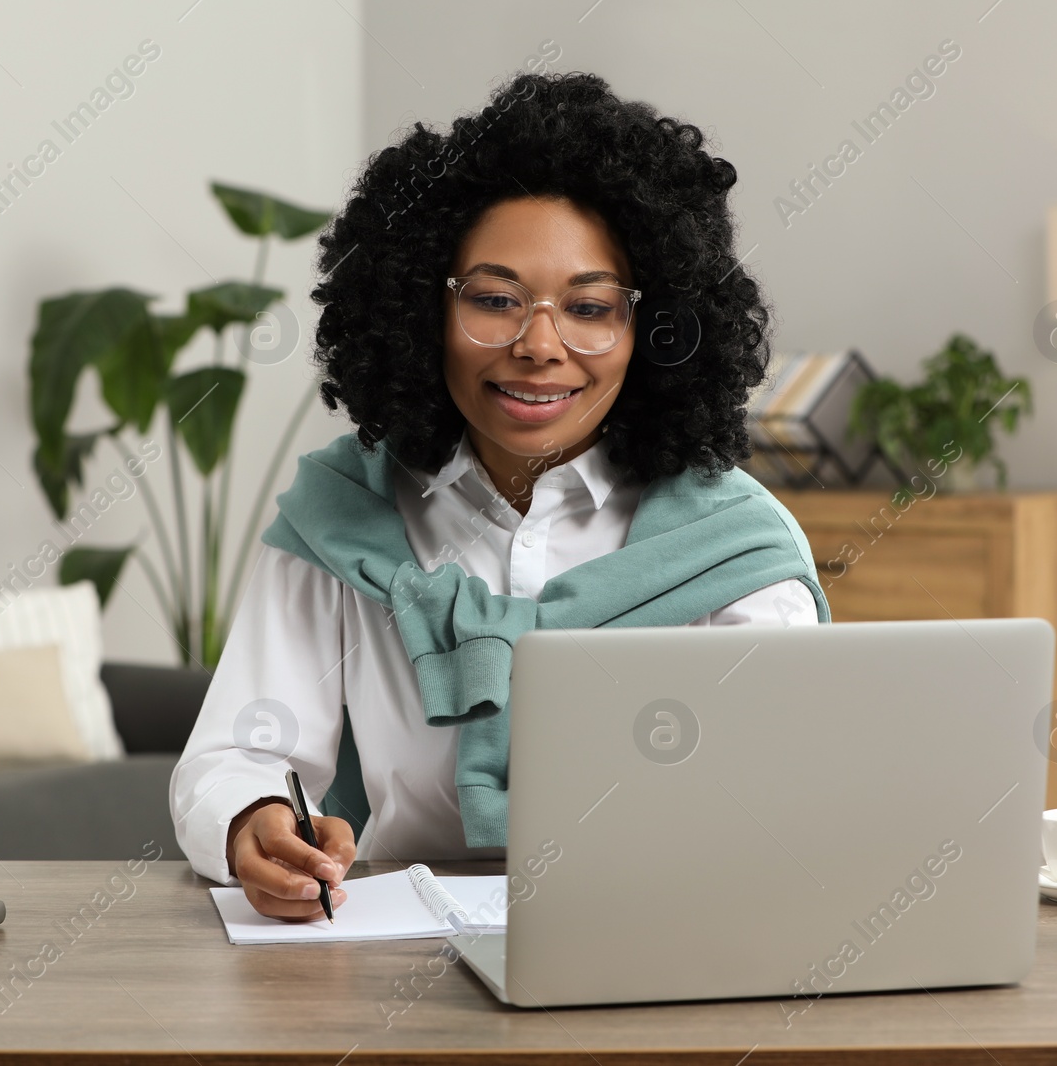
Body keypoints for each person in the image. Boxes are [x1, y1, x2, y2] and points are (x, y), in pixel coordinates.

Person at [170, 70, 829, 920]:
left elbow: (783, 807)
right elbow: (238, 752)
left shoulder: (739, 548)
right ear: (419, 310)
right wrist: (253, 820)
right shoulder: (341, 513)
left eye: (591, 307)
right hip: (391, 964)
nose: (540, 345)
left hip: (665, 941)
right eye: (493, 299)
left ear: (652, 330)